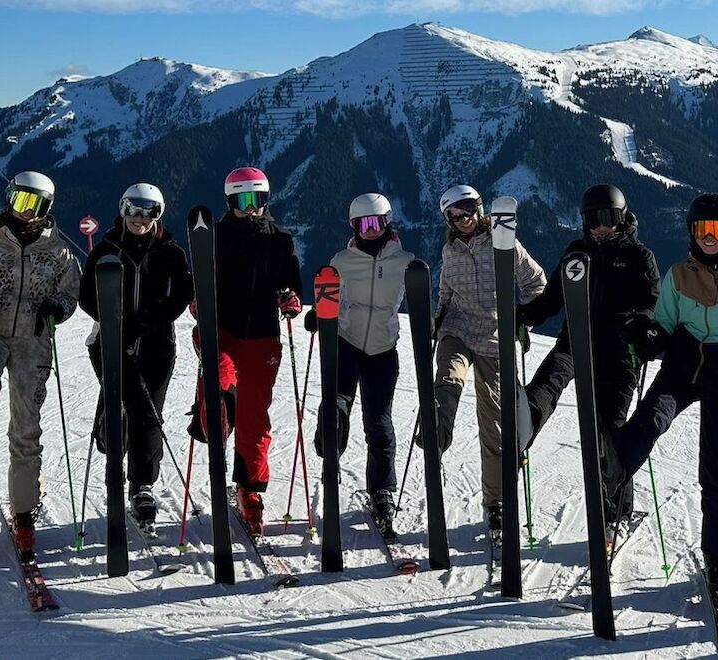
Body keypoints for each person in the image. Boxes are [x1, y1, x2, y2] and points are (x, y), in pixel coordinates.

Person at [611, 193, 718, 591]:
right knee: (648, 420)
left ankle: (717, 556)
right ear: (692, 232)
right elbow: (663, 324)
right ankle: (609, 473)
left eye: (715, 230)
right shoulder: (679, 274)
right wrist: (647, 339)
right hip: (683, 366)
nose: (708, 237)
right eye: (701, 230)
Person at [515, 183, 660, 546]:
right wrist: (522, 315)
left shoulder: (639, 256)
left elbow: (651, 302)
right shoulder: (577, 253)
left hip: (619, 353)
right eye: (593, 219)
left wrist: (641, 328)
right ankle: (525, 419)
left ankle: (617, 511)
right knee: (549, 378)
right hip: (575, 341)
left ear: (623, 216)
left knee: (608, 432)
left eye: (608, 218)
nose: (601, 227)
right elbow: (551, 300)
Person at [0, 171, 81, 561]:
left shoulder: (58, 252)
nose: (25, 212)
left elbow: (69, 292)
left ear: (46, 209)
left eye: (34, 205)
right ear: (9, 199)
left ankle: (24, 514)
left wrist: (60, 308)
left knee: (26, 430)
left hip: (32, 343)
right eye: (19, 201)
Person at [430, 184, 546, 548]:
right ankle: (439, 425)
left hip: (496, 339)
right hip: (458, 331)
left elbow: (536, 283)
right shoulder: (449, 251)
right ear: (447, 219)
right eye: (455, 214)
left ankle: (495, 503)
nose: (463, 218)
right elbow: (446, 294)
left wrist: (526, 316)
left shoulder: (503, 244)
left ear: (479, 209)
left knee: (494, 423)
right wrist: (436, 323)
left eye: (468, 209)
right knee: (449, 375)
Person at [78, 182, 191, 528]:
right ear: (123, 210)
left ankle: (141, 485)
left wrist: (150, 320)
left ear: (158, 214)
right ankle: (111, 438)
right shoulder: (107, 249)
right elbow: (86, 296)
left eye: (149, 212)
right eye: (134, 211)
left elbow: (183, 294)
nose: (140, 219)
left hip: (157, 344)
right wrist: (116, 323)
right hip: (111, 343)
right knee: (133, 407)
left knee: (149, 413)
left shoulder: (171, 252)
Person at [196, 166, 302, 537]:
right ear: (230, 202)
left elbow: (292, 286)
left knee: (256, 418)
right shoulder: (215, 237)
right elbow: (201, 282)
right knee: (221, 380)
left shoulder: (281, 240)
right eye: (243, 201)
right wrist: (198, 302)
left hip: (262, 336)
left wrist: (290, 300)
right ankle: (215, 420)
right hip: (222, 330)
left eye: (257, 200)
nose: (251, 207)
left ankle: (250, 490)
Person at [306, 192, 415, 530]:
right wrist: (319, 316)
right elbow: (329, 297)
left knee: (378, 423)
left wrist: (434, 321)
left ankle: (381, 489)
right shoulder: (340, 261)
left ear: (387, 223)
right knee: (335, 408)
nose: (370, 229)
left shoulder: (406, 262)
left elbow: (424, 297)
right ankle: (330, 452)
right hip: (346, 343)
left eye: (377, 222)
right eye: (363, 223)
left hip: (383, 350)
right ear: (354, 226)